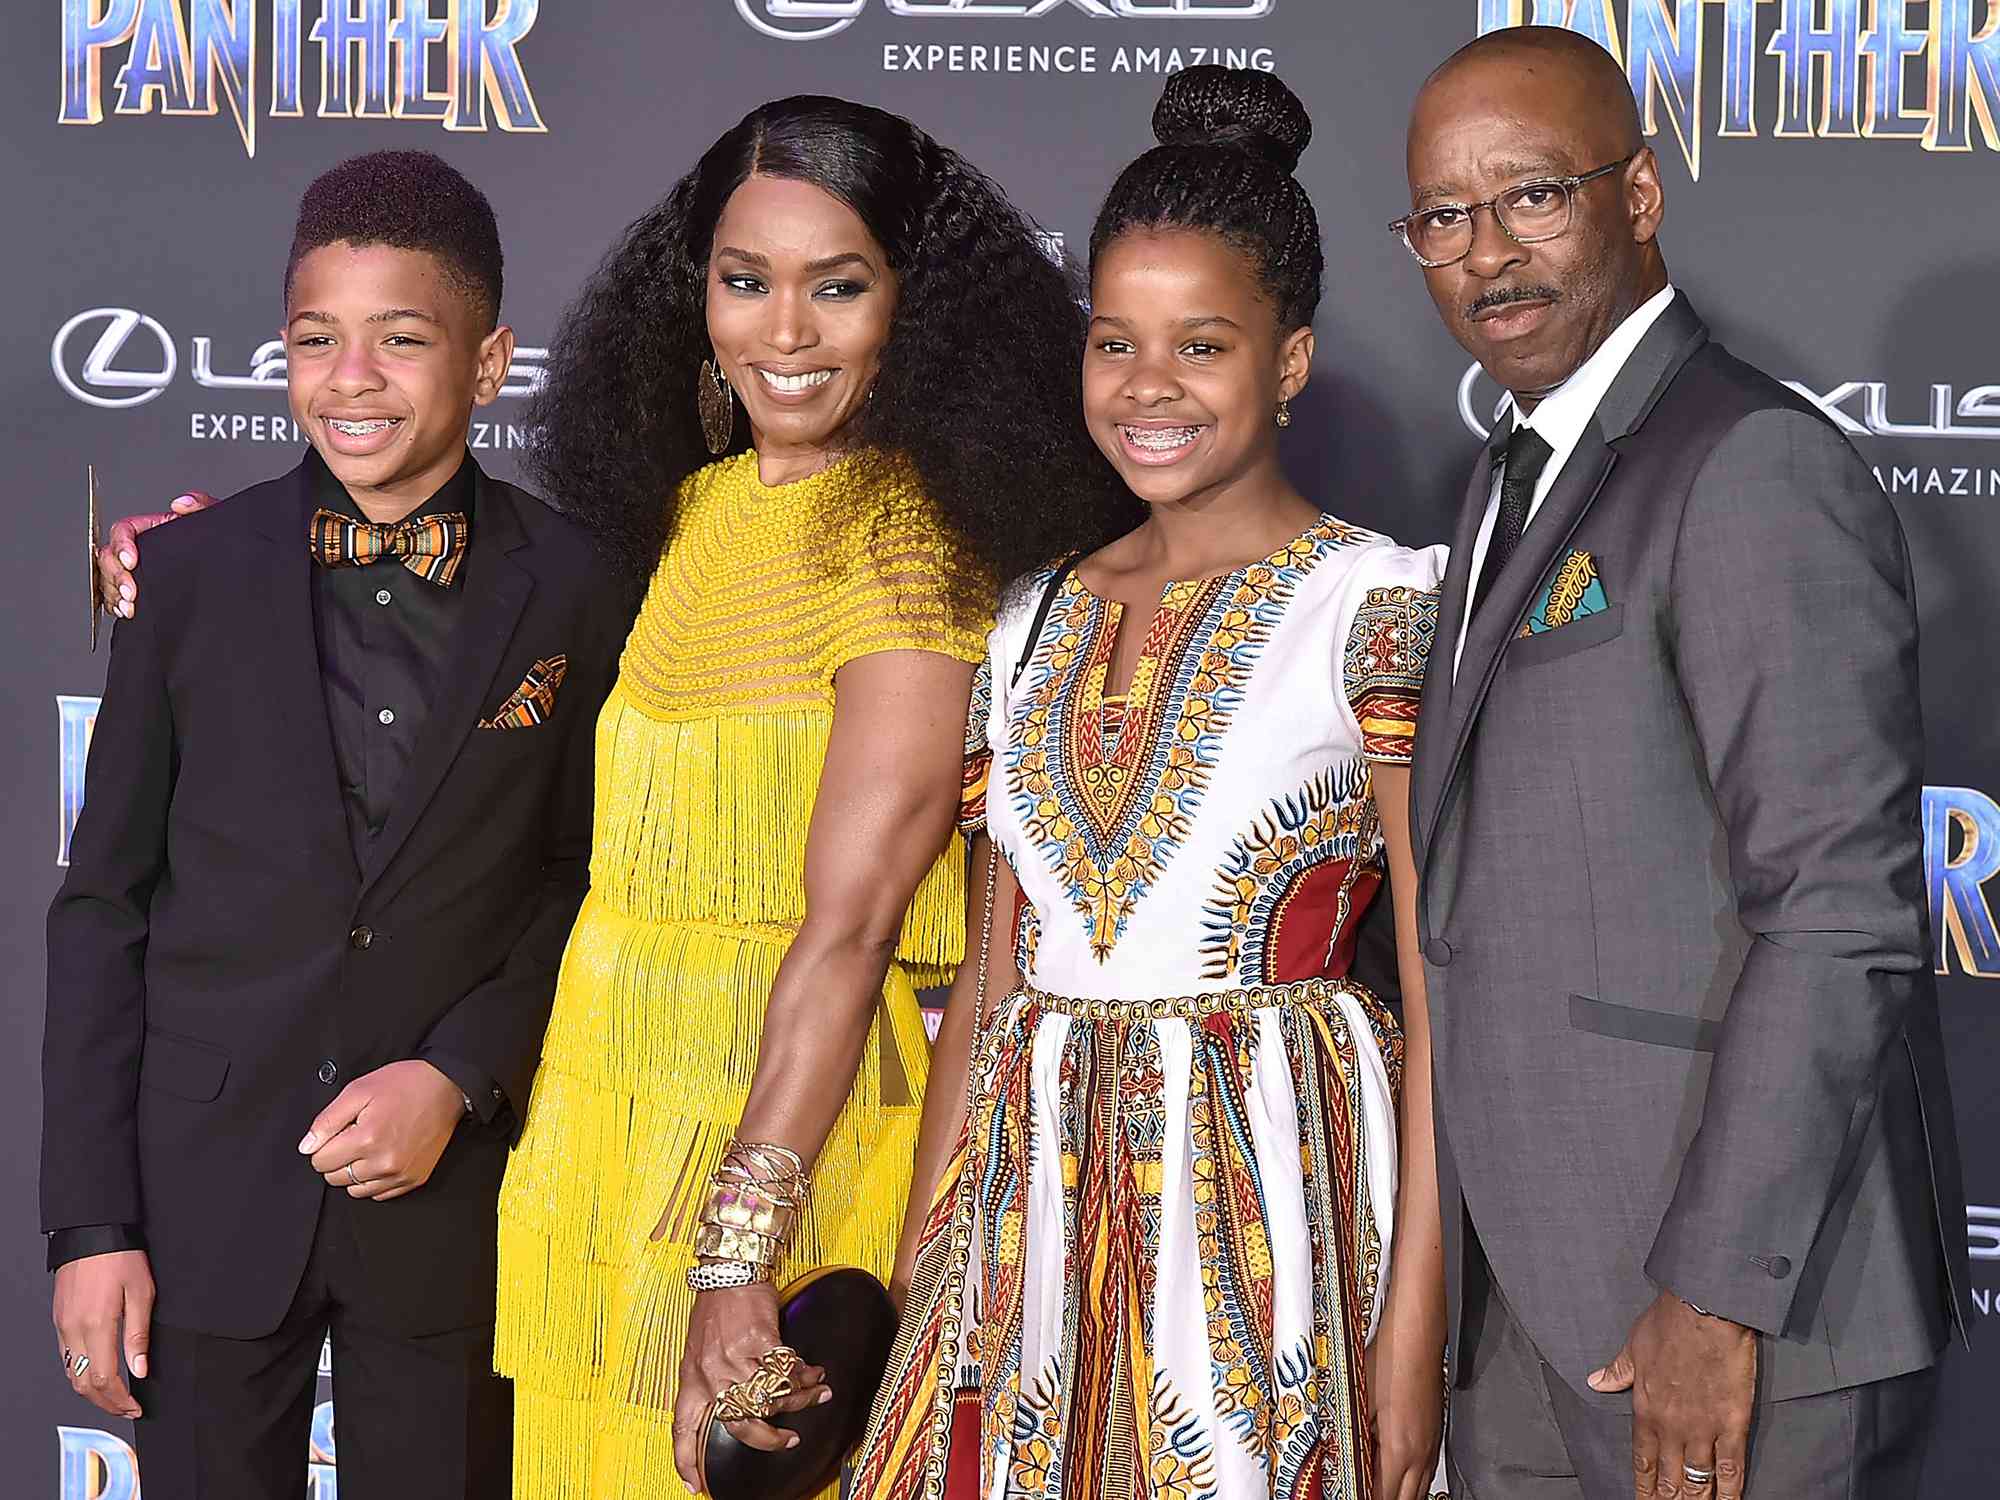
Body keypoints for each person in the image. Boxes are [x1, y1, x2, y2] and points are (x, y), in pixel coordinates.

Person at [1393, 27, 1969, 1500]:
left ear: (1638, 194)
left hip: (1732, 1316)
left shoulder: (1750, 465)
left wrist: (1715, 1296)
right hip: (1519, 1302)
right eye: (1444, 218)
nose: (1487, 253)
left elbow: (1841, 911)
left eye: (1534, 196)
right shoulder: (1504, 473)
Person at [857, 67, 1449, 1500]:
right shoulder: (1030, 616)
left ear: (1290, 362)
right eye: (1116, 342)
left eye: (1202, 346)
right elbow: (993, 977)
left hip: (1275, 1222)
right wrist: (927, 1268)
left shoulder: (1377, 603)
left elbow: (1442, 991)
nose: (1149, 388)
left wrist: (1413, 1328)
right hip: (1031, 1223)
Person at [44, 150, 628, 1495]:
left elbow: (584, 879)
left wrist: (459, 1072)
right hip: (201, 1200)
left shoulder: (582, 590)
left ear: (488, 365)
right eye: (317, 340)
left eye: (401, 341)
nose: (350, 379)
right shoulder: (184, 577)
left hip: (453, 1203)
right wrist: (90, 1225)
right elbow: (104, 906)